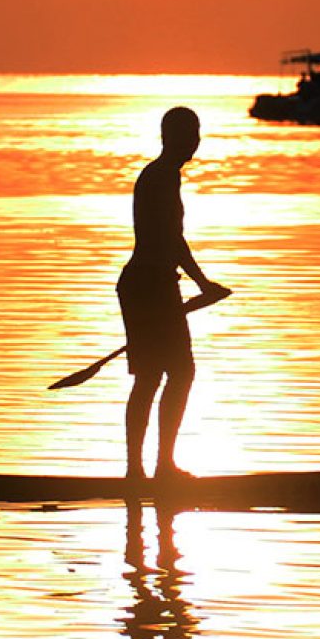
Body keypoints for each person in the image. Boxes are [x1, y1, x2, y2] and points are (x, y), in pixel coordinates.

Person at [117, 107, 230, 480]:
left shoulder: (167, 176)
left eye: (198, 133)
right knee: (166, 373)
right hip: (147, 287)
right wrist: (202, 284)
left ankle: (159, 466)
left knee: (168, 374)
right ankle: (145, 469)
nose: (196, 141)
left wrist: (197, 283)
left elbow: (171, 241)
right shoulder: (160, 177)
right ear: (171, 136)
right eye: (191, 133)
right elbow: (170, 238)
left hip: (157, 285)